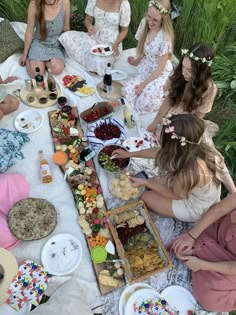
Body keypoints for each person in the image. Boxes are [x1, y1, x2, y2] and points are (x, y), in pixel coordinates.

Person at [113, 113, 226, 222]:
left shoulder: (189, 172)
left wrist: (146, 183)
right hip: (185, 188)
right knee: (153, 181)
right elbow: (158, 152)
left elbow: (177, 195)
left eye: (162, 135)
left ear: (174, 145)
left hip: (193, 204)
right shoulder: (191, 146)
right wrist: (129, 154)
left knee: (146, 196)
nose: (159, 135)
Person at [171, 192, 236, 312]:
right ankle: (203, 248)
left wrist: (202, 265)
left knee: (209, 298)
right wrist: (191, 236)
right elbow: (219, 209)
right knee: (180, 247)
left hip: (231, 264)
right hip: (217, 232)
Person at [147, 43, 217, 133]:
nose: (184, 73)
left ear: (201, 72)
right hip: (172, 113)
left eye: (190, 70)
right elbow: (168, 101)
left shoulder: (209, 89)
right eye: (183, 67)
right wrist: (154, 123)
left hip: (188, 122)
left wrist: (185, 132)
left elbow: (198, 117)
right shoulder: (178, 74)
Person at [121, 0, 174, 114]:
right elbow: (142, 48)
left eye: (155, 20)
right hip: (146, 67)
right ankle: (145, 96)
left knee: (143, 103)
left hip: (159, 72)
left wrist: (143, 84)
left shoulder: (165, 36)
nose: (150, 22)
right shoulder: (144, 23)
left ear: (163, 19)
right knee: (126, 91)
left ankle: (162, 97)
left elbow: (160, 69)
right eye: (149, 16)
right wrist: (136, 62)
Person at [59, 0, 131, 76]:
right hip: (93, 38)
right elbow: (88, 20)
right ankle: (89, 58)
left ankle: (94, 61)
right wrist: (89, 26)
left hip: (110, 45)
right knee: (66, 36)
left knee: (99, 62)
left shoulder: (124, 4)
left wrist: (116, 44)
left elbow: (124, 30)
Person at [19, 0, 70, 78]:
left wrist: (70, 49)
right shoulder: (34, 4)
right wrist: (24, 54)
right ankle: (33, 60)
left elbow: (66, 28)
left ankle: (43, 61)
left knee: (57, 69)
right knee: (37, 74)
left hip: (56, 45)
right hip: (39, 43)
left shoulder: (65, 2)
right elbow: (29, 31)